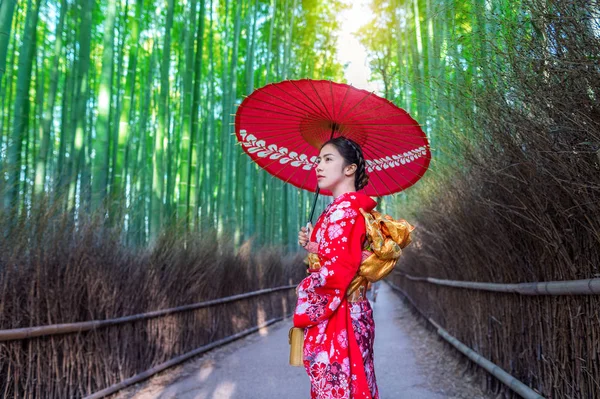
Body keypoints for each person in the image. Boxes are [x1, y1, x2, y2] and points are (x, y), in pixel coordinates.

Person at [294, 137, 379, 399]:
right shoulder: (340, 209)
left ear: (349, 169)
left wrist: (305, 291)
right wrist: (315, 247)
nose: (318, 166)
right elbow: (342, 256)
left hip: (343, 314)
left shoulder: (346, 210)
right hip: (348, 310)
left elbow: (339, 268)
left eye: (328, 159)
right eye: (318, 160)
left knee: (342, 390)